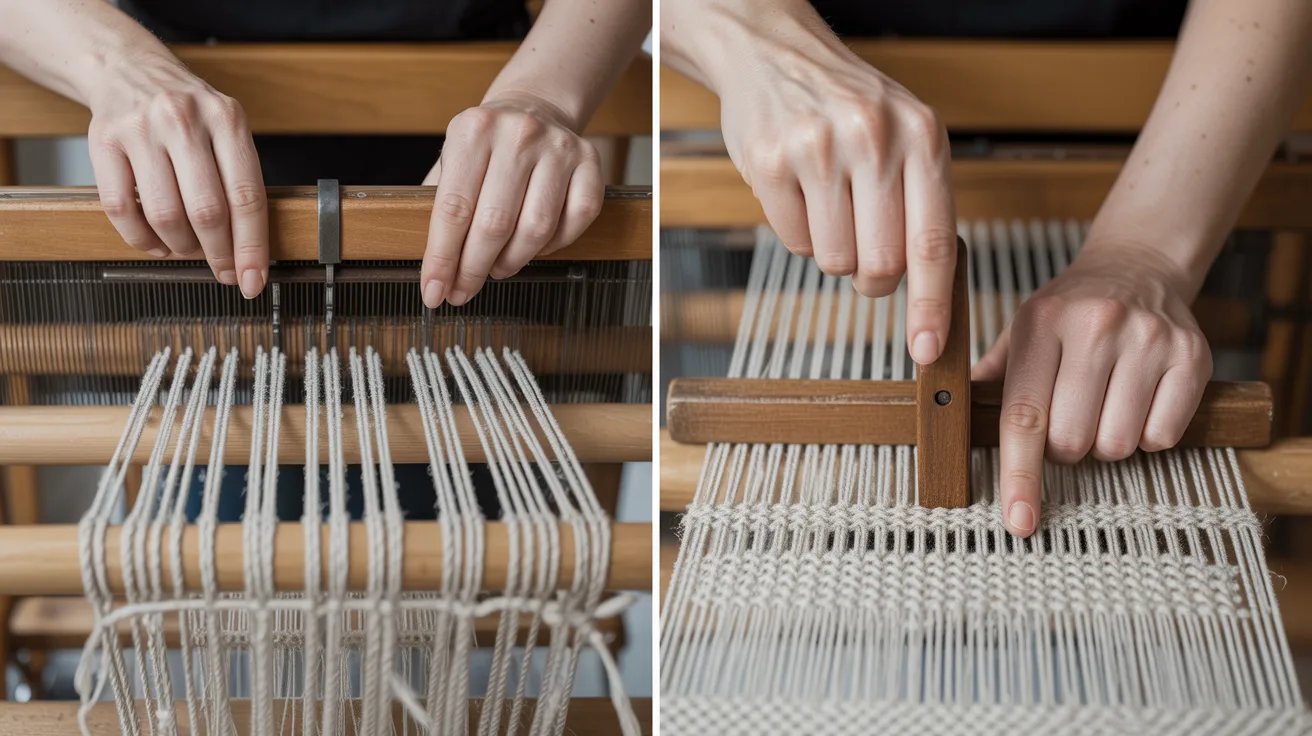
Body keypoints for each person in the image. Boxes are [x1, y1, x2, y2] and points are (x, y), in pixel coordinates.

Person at [662, 0, 1312, 537]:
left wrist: (1145, 252)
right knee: (775, 533)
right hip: (788, 136)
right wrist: (745, 36)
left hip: (1171, 130)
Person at [0, 0, 650, 523]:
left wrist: (543, 97)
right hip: (185, 160)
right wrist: (120, 67)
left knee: (450, 523)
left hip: (484, 164)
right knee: (237, 521)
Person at [0, 0, 649, 308]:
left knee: (477, 517)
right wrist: (122, 69)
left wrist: (543, 94)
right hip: (178, 146)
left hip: (488, 145)